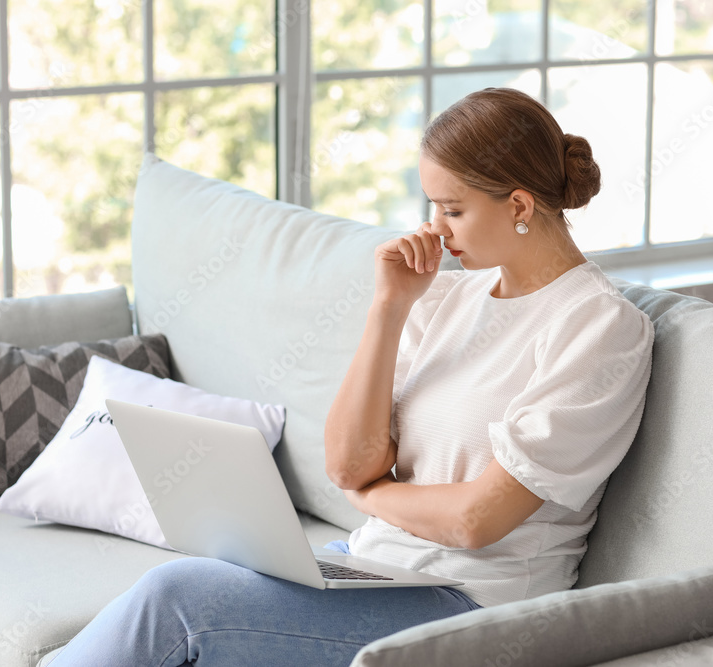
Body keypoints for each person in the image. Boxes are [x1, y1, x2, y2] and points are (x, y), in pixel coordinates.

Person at [47, 87, 655, 666]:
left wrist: (371, 497)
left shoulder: (598, 327)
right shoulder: (445, 299)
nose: (435, 229)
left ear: (519, 205)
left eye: (453, 209)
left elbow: (476, 521)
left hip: (475, 605)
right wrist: (389, 308)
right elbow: (347, 464)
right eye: (431, 207)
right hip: (372, 565)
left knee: (178, 600)